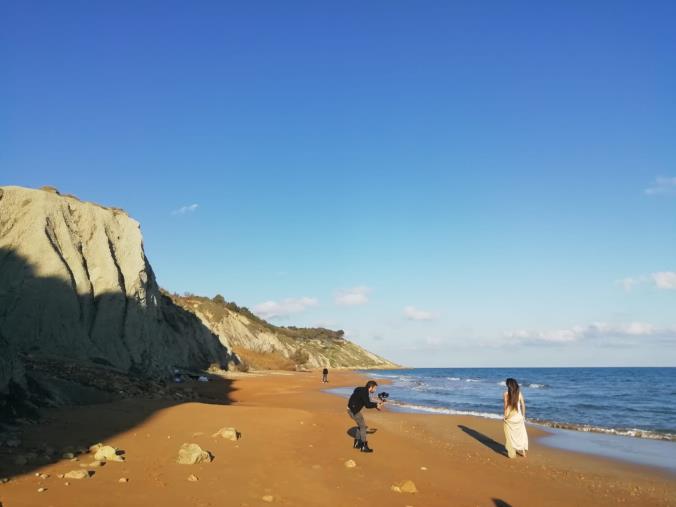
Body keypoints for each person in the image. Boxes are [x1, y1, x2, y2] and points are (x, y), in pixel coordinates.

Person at [347, 380, 383, 453]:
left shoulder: (360, 389)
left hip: (350, 409)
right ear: (371, 387)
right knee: (363, 426)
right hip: (354, 411)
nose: (375, 390)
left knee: (360, 426)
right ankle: (363, 446)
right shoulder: (365, 393)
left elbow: (364, 400)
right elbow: (367, 405)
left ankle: (357, 444)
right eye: (375, 388)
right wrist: (376, 405)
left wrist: (375, 404)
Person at [503, 378, 528, 458]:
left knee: (510, 433)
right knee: (521, 433)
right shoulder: (519, 393)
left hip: (511, 417)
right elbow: (523, 405)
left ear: (508, 386)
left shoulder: (506, 394)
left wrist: (505, 418)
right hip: (519, 417)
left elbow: (506, 408)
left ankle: (512, 448)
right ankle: (523, 452)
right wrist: (523, 416)